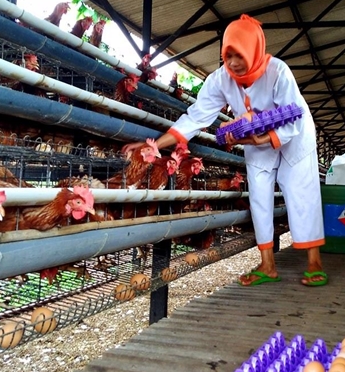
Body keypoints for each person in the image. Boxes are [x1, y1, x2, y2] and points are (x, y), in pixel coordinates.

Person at [122, 15, 327, 287]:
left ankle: (314, 263)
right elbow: (195, 117)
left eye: (238, 55)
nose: (232, 63)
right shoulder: (220, 80)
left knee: (301, 193)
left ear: (253, 49)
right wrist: (154, 145)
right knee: (259, 197)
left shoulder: (278, 72)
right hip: (251, 135)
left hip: (294, 136)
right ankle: (267, 265)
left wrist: (256, 139)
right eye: (227, 55)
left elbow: (294, 119)